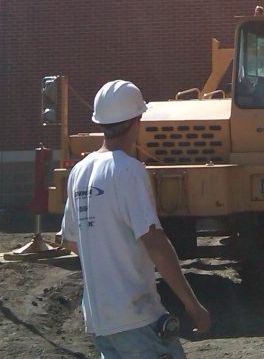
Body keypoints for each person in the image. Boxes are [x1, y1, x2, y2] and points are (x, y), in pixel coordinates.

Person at [61, 80, 211, 359]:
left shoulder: (79, 172)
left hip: (99, 320)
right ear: (136, 122)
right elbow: (155, 242)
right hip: (135, 317)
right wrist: (192, 304)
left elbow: (71, 241)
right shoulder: (129, 170)